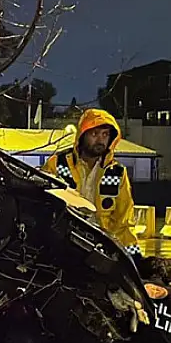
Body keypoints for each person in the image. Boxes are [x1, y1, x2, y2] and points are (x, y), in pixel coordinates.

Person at [43, 109, 141, 259]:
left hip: (99, 251)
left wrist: (136, 260)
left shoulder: (117, 173)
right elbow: (42, 206)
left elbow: (124, 224)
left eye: (105, 134)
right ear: (82, 136)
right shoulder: (57, 163)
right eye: (94, 134)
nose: (100, 140)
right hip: (61, 246)